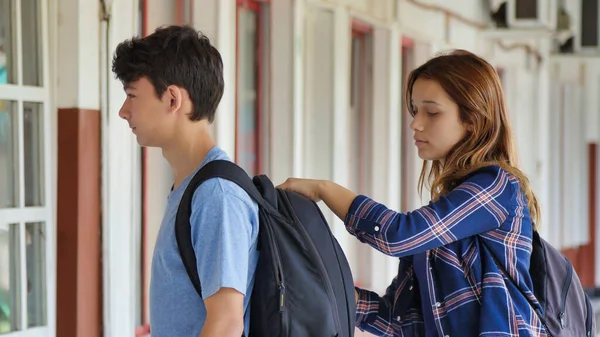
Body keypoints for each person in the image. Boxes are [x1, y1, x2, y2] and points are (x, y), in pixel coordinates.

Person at [278, 49, 547, 336]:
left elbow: (398, 235)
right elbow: (395, 319)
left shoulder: (496, 187)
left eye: (432, 112)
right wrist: (320, 286)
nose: (415, 124)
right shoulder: (442, 217)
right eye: (415, 111)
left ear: (473, 120)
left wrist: (325, 189)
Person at [112, 25, 259, 337]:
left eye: (132, 95)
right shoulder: (192, 187)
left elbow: (225, 324)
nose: (123, 111)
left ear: (172, 99)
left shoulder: (216, 195)